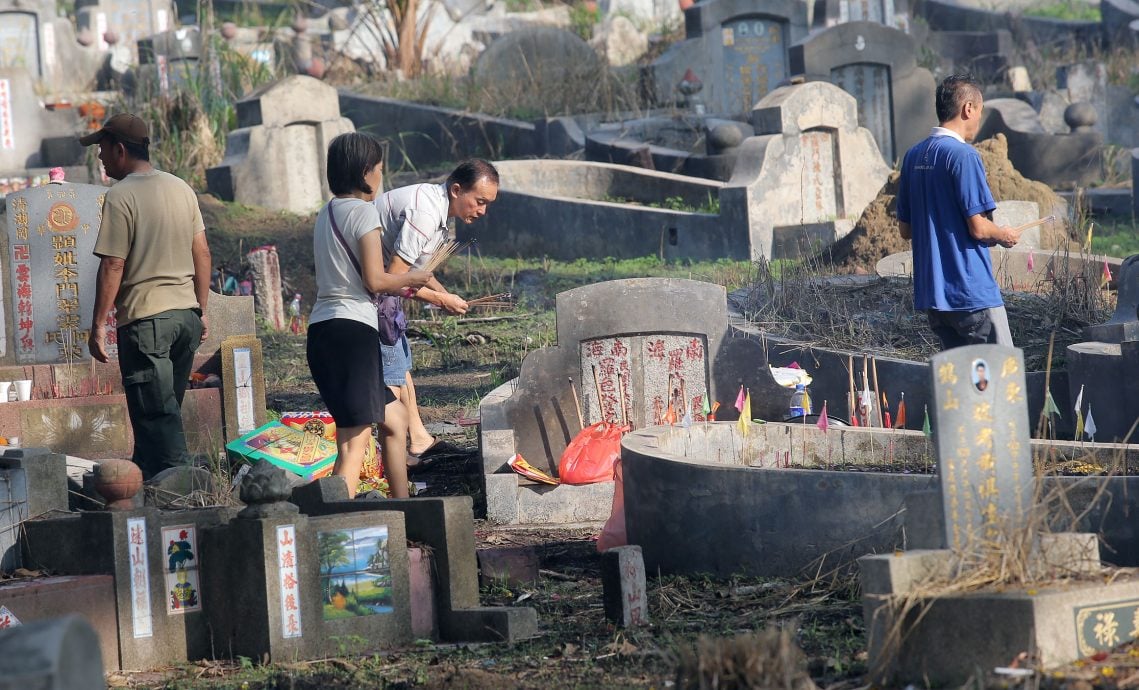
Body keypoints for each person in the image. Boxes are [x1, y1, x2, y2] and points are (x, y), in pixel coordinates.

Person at [84, 113, 211, 479]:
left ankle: (187, 489)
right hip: (185, 319)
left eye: (102, 149)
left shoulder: (120, 196)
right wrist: (201, 310)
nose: (100, 157)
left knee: (157, 413)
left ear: (120, 150)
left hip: (146, 323)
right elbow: (202, 253)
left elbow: (113, 264)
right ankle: (144, 483)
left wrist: (98, 325)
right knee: (157, 412)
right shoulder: (181, 188)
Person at [307, 132, 432, 498]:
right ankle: (337, 523)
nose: (381, 176)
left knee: (395, 417)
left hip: (322, 330)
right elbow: (375, 280)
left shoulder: (327, 212)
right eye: (379, 168)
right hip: (352, 334)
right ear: (365, 172)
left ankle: (403, 506)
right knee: (354, 442)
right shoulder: (364, 213)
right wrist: (414, 278)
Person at [374, 159, 500, 460]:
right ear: (457, 190)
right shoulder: (426, 213)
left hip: (382, 292)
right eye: (479, 201)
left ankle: (419, 438)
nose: (482, 211)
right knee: (392, 372)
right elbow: (394, 279)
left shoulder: (438, 208)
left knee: (400, 364)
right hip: (371, 291)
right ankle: (396, 455)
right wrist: (441, 301)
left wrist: (445, 295)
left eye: (487, 204)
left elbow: (420, 272)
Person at [896, 73, 1022, 351]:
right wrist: (1004, 234)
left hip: (934, 297)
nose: (979, 118)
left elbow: (905, 230)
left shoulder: (913, 156)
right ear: (968, 109)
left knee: (959, 376)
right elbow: (979, 228)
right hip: (970, 292)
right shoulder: (964, 156)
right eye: (980, 110)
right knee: (1001, 372)